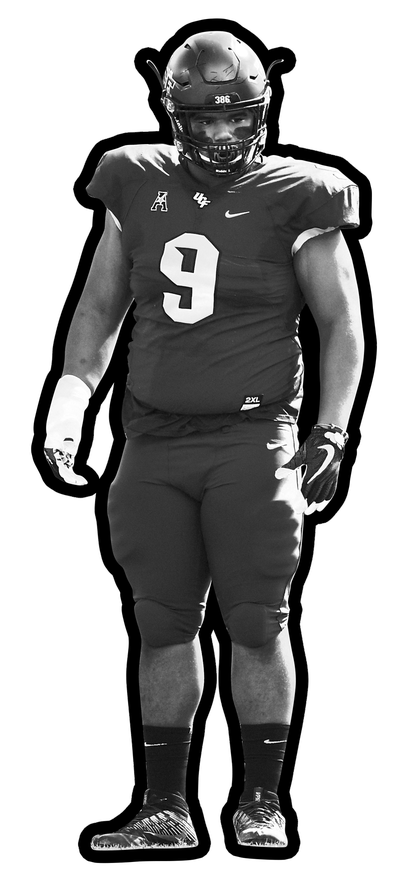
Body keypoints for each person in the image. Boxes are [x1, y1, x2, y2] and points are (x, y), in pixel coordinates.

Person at [44, 31, 363, 848]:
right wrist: (71, 398)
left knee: (257, 616)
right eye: (202, 121)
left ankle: (261, 800)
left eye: (235, 119)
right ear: (173, 116)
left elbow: (340, 323)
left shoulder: (301, 193)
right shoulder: (135, 176)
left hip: (254, 436)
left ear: (262, 112)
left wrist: (331, 430)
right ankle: (165, 809)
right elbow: (100, 305)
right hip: (153, 437)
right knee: (161, 619)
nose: (220, 135)